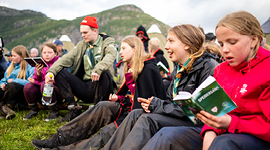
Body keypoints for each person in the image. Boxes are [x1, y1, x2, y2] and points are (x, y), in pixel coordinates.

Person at [142, 11, 270, 150]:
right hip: (220, 131)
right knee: (167, 135)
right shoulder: (221, 70)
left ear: (254, 40)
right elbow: (215, 112)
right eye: (221, 44)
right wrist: (210, 132)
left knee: (224, 143)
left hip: (254, 137)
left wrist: (231, 123)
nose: (225, 50)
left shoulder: (266, 69)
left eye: (232, 42)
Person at [31, 35, 166, 149]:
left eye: (124, 48)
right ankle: (59, 138)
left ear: (135, 50)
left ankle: (66, 148)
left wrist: (121, 105)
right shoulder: (133, 67)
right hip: (130, 109)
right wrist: (118, 98)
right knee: (101, 107)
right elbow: (130, 95)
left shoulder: (148, 69)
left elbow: (145, 105)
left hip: (141, 117)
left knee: (108, 131)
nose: (121, 52)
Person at [102, 24, 221, 150]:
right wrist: (152, 103)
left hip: (198, 124)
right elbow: (171, 102)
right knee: (136, 113)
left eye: (171, 41)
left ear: (187, 44)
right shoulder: (179, 69)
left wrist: (158, 104)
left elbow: (201, 110)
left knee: (147, 121)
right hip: (182, 117)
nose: (166, 46)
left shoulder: (208, 66)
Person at [44, 16, 117, 123]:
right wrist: (50, 72)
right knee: (59, 72)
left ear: (95, 31)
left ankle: (97, 112)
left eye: (85, 32)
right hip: (87, 86)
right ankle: (73, 109)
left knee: (104, 72)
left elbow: (110, 55)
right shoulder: (82, 45)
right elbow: (65, 59)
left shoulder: (108, 41)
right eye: (81, 33)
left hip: (104, 87)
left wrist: (98, 69)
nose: (83, 35)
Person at [23, 43, 63, 121]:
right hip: (43, 92)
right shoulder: (40, 63)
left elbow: (56, 81)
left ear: (55, 53)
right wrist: (38, 73)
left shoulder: (59, 63)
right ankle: (33, 110)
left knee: (45, 84)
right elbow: (37, 79)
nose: (46, 55)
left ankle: (54, 111)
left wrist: (36, 82)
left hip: (57, 92)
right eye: (44, 53)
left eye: (49, 52)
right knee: (28, 87)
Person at [0, 45, 34, 119]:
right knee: (4, 87)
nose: (12, 57)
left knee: (12, 86)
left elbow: (30, 82)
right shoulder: (11, 67)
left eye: (14, 56)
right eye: (12, 56)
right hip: (8, 92)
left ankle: (8, 108)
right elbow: (4, 79)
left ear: (21, 56)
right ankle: (6, 110)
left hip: (22, 94)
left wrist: (14, 80)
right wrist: (2, 84)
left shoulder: (30, 66)